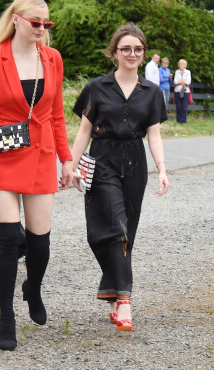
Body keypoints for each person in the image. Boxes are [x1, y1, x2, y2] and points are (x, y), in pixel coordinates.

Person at [0, 0, 73, 351]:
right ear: (15, 19)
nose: (42, 29)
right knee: (9, 240)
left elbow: (57, 115)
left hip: (42, 155)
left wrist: (67, 159)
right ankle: (6, 318)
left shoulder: (53, 59)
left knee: (40, 242)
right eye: (35, 23)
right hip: (2, 155)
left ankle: (34, 289)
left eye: (47, 24)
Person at [66, 23, 170, 333]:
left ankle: (113, 291)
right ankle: (124, 299)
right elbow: (84, 131)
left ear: (143, 52)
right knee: (111, 228)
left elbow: (155, 135)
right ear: (115, 52)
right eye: (126, 48)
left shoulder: (152, 92)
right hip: (102, 159)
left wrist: (162, 168)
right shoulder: (96, 88)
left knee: (126, 233)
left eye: (138, 49)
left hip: (135, 162)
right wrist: (69, 167)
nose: (132, 54)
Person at [174, 58, 192, 124]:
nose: (182, 65)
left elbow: (188, 82)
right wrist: (183, 81)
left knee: (184, 107)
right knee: (178, 106)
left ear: (185, 65)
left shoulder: (188, 72)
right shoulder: (177, 72)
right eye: (180, 64)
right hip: (178, 91)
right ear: (179, 65)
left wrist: (180, 82)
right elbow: (175, 81)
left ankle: (184, 121)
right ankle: (178, 121)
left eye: (183, 64)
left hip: (185, 91)